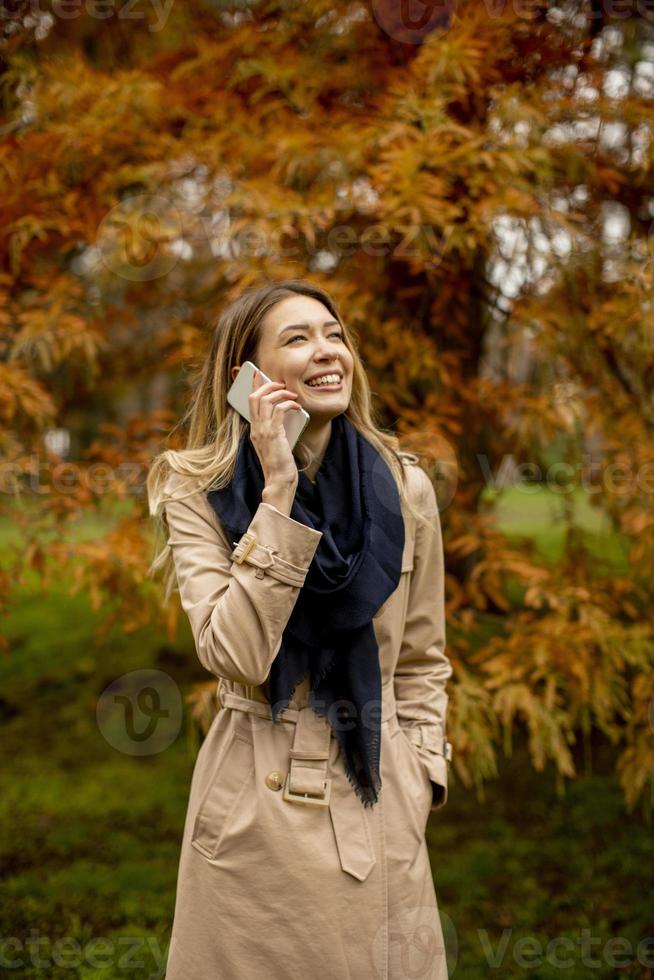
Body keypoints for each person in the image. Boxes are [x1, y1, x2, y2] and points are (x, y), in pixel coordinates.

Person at [147, 278, 454, 980]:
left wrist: (421, 775)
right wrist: (277, 489)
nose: (327, 352)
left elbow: (422, 659)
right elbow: (236, 655)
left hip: (374, 791)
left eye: (333, 334)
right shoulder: (194, 489)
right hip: (253, 802)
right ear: (245, 377)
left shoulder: (404, 489)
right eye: (297, 338)